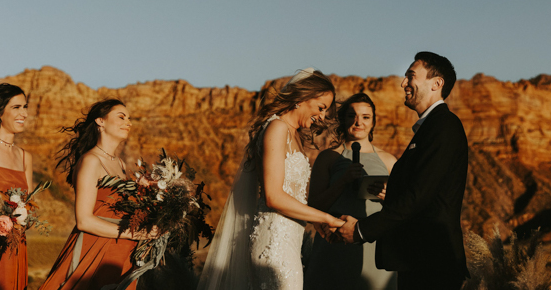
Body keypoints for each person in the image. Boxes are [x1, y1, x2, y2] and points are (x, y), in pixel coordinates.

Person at [196, 68, 346, 290]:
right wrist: (327, 218)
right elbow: (273, 196)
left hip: (289, 244)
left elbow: (293, 196)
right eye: (321, 108)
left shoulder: (294, 135)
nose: (322, 117)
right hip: (274, 246)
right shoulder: (277, 128)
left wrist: (315, 221)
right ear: (302, 98)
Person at [337, 52, 469, 290]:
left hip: (431, 265)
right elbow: (426, 192)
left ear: (436, 84)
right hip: (418, 261)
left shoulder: (443, 126)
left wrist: (360, 231)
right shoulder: (431, 128)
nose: (403, 83)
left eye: (411, 76)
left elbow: (418, 197)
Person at [40, 99, 158, 290]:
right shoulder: (91, 160)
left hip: (120, 251)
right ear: (100, 121)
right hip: (94, 248)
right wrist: (136, 233)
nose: (128, 122)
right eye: (121, 117)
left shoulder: (119, 163)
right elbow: (84, 221)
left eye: (129, 118)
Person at [305, 92, 397, 289]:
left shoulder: (389, 161)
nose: (358, 122)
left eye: (365, 117)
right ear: (342, 120)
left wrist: (387, 197)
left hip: (375, 247)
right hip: (335, 246)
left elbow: (401, 210)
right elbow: (313, 207)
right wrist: (342, 181)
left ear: (373, 122)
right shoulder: (328, 158)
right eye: (351, 116)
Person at [0, 83, 33, 290]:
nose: (24, 113)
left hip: (15, 247)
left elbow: (28, 206)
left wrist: (23, 217)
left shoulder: (25, 157)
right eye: (16, 107)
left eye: (25, 107)